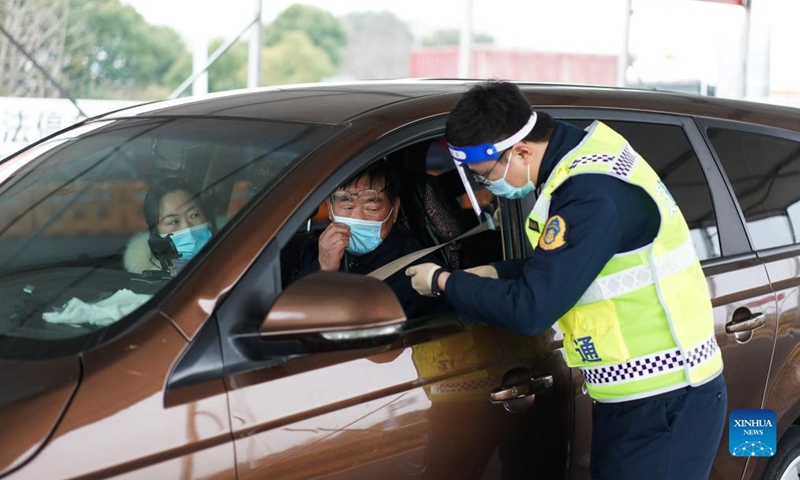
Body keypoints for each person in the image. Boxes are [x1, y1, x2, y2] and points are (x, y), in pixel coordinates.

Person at [406, 81, 727, 479]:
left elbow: (532, 311)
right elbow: (576, 264)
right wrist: (495, 272)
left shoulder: (589, 193)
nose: (489, 188)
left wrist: (442, 282)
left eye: (486, 176)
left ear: (521, 151)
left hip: (663, 402)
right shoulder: (582, 162)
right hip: (638, 399)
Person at [294, 161, 447, 319]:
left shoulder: (419, 269)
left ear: (394, 210)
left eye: (371, 208)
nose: (357, 217)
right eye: (347, 207)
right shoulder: (315, 252)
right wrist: (323, 270)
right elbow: (290, 316)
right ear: (330, 209)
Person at [123, 177, 215, 275]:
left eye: (194, 215)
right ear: (156, 232)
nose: (187, 227)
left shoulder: (231, 262)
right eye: (174, 222)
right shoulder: (152, 286)